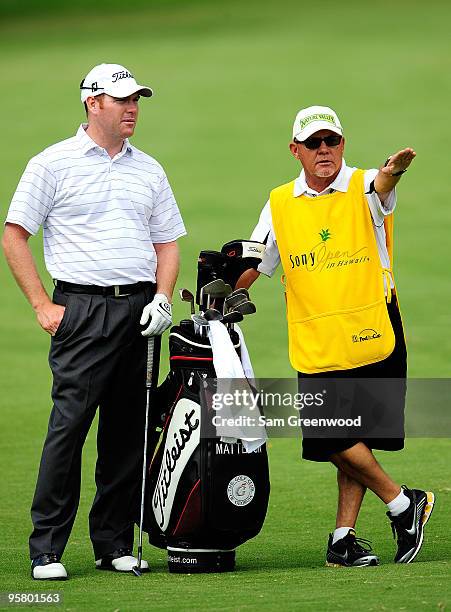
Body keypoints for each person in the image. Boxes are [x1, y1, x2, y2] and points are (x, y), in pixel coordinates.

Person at [2, 63, 186, 580]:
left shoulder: (148, 168)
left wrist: (163, 298)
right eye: (123, 100)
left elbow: (167, 242)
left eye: (137, 101)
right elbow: (15, 233)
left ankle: (113, 544)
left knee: (127, 433)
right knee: (69, 428)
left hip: (139, 313)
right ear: (93, 103)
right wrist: (42, 304)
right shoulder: (52, 164)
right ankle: (46, 550)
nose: (133, 109)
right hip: (80, 312)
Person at [242, 105, 435, 567]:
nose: (323, 150)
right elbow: (256, 258)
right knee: (337, 437)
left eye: (331, 141)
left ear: (342, 145)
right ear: (296, 151)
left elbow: (382, 188)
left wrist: (393, 173)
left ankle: (343, 539)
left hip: (371, 331)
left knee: (353, 438)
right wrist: (225, 289)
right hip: (318, 341)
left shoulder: (364, 185)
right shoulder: (280, 202)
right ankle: (404, 504)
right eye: (313, 144)